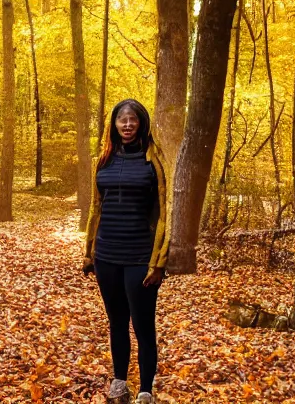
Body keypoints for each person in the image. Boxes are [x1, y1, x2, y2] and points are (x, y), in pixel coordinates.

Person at [83, 98, 169, 404]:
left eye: (133, 120)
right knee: (116, 321)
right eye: (123, 120)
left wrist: (159, 262)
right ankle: (119, 383)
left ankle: (146, 390)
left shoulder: (152, 162)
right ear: (114, 125)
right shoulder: (103, 160)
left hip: (139, 256)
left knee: (143, 323)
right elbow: (96, 208)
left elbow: (164, 213)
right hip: (107, 253)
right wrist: (89, 252)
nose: (128, 125)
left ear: (141, 124)